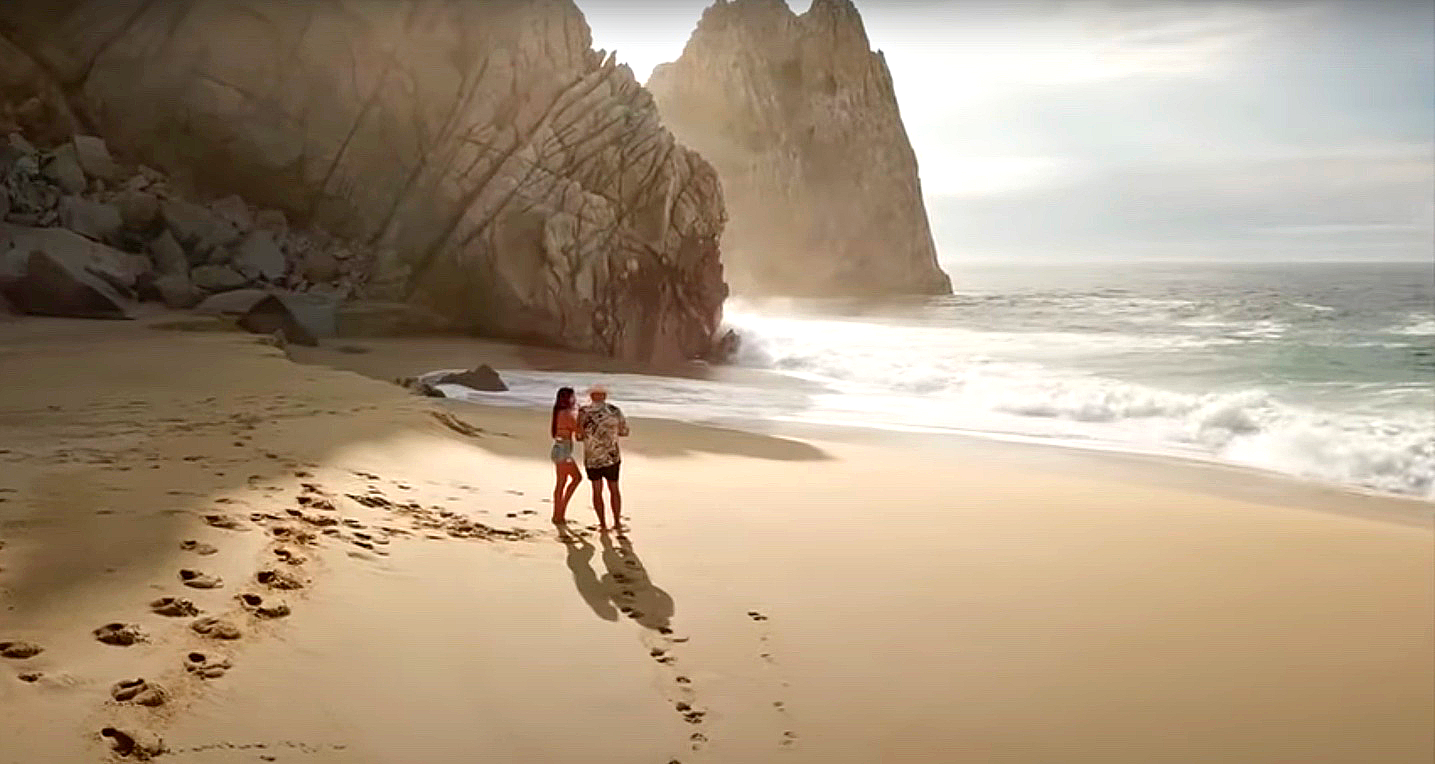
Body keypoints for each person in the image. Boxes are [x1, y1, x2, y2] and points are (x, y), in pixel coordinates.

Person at [576, 384, 630, 532]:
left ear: (591, 396)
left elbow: (579, 436)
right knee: (614, 489)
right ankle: (617, 523)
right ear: (605, 397)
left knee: (597, 490)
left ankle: (602, 524)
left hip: (592, 457)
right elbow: (624, 432)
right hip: (612, 456)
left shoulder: (583, 412)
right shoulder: (614, 410)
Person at [548, 387, 582, 523]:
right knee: (576, 478)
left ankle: (558, 513)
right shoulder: (567, 414)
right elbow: (579, 432)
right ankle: (560, 511)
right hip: (563, 450)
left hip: (559, 448)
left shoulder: (558, 412)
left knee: (561, 483)